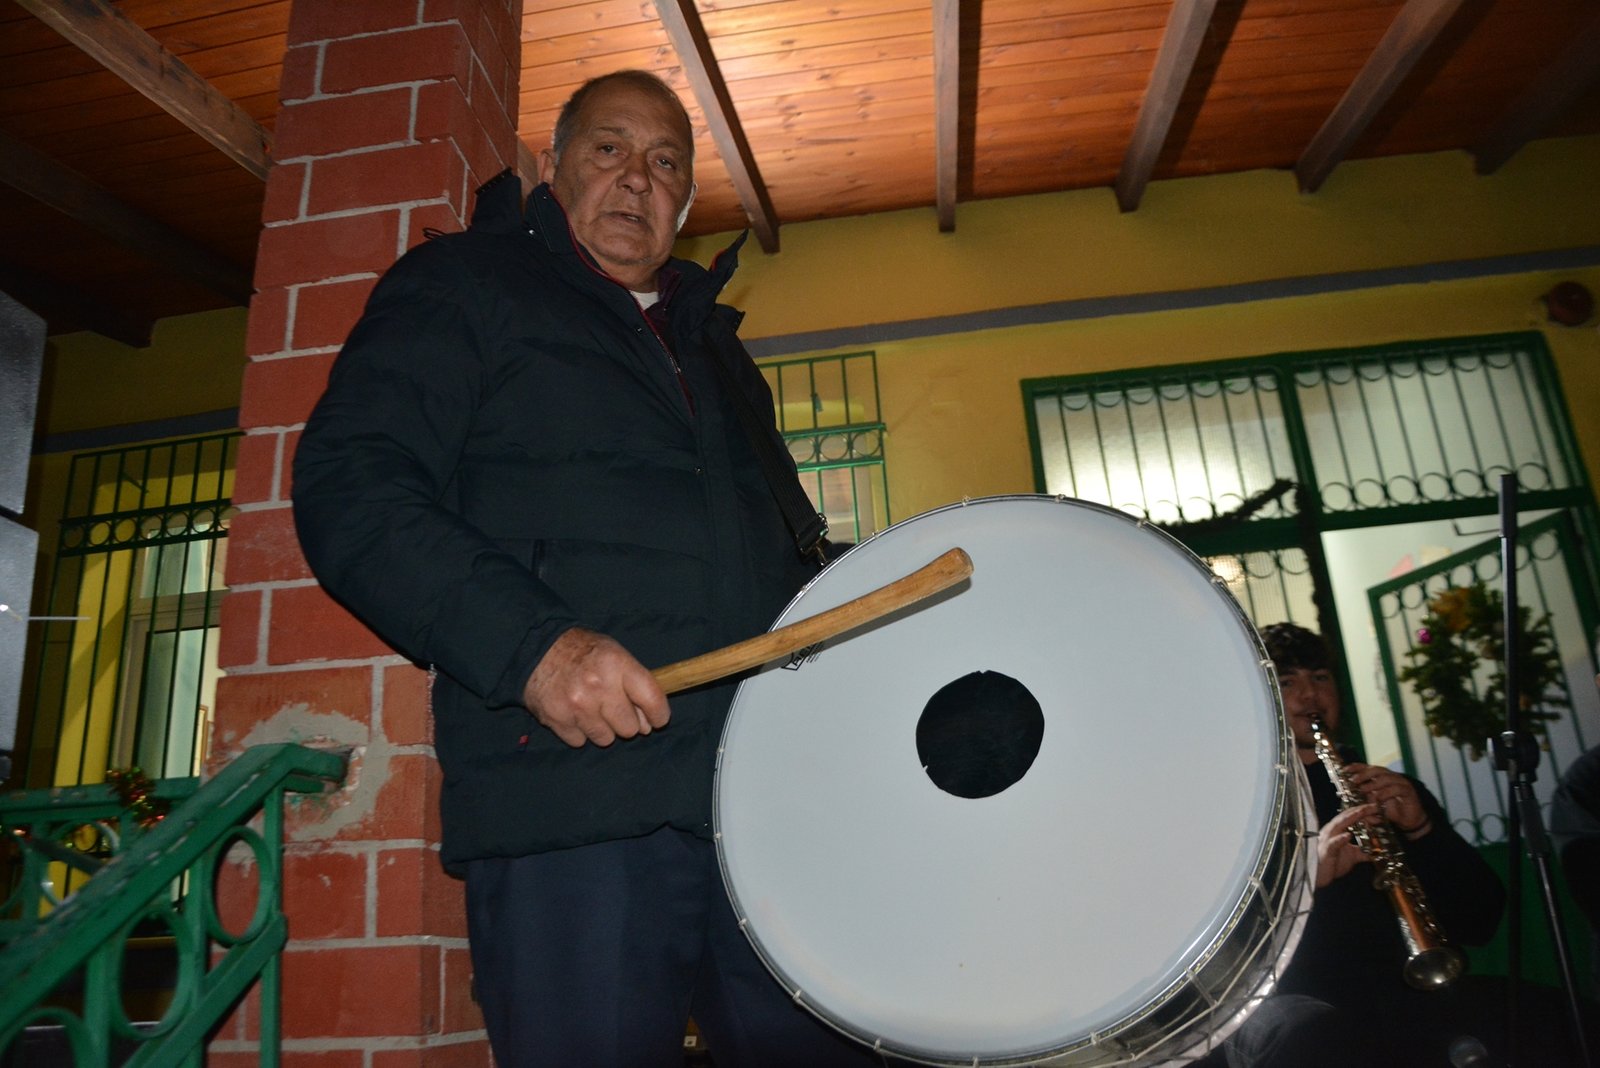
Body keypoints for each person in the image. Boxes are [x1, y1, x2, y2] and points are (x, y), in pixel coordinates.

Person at [292, 70, 879, 1067]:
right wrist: (536, 651)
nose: (638, 178)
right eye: (611, 148)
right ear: (553, 163)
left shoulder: (718, 352)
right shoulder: (465, 285)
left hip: (765, 809)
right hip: (572, 811)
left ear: (685, 201)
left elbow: (778, 566)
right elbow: (351, 487)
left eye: (666, 163)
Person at [1208, 622, 1508, 1067]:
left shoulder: (1390, 790)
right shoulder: (1236, 805)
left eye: (1320, 677)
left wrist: (1423, 829)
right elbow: (1223, 955)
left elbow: (1481, 920)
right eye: (1287, 681)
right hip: (1303, 1005)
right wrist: (1306, 880)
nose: (1310, 695)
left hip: (1407, 998)